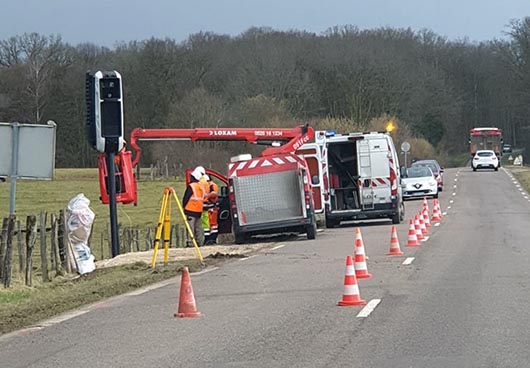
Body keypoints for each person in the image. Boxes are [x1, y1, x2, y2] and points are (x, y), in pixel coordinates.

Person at [182, 166, 205, 247]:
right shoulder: (201, 187)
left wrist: (183, 207)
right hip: (199, 211)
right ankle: (199, 242)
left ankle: (190, 243)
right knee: (198, 228)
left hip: (190, 210)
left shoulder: (191, 186)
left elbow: (186, 198)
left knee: (190, 228)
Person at [203, 175, 219, 245]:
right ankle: (210, 240)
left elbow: (214, 194)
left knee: (212, 225)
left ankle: (211, 239)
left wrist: (206, 196)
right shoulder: (210, 185)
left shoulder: (212, 185)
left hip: (211, 208)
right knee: (210, 225)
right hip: (209, 208)